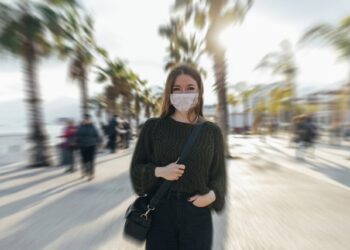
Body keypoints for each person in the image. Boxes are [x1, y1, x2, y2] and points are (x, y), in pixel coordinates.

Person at [129, 64, 227, 250]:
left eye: (190, 88)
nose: (184, 93)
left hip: (198, 215)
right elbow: (136, 172)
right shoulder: (153, 127)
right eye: (177, 89)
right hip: (160, 214)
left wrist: (212, 195)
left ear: (199, 92)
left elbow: (219, 175)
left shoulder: (211, 132)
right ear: (169, 93)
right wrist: (159, 172)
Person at [76, 114, 101, 181]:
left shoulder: (93, 126)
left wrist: (99, 143)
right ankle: (85, 172)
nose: (86, 120)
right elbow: (77, 135)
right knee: (84, 161)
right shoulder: (80, 126)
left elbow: (97, 135)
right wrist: (76, 142)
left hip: (92, 145)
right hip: (83, 146)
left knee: (91, 160)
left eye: (87, 119)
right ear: (83, 119)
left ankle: (91, 174)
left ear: (90, 119)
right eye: (85, 119)